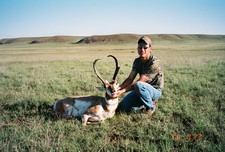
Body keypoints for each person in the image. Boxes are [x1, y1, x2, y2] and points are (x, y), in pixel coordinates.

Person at [113, 36, 164, 116]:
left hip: (155, 90)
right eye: (140, 47)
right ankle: (143, 106)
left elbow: (140, 81)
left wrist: (122, 92)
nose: (142, 50)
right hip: (141, 90)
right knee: (121, 108)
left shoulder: (155, 63)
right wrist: (119, 88)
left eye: (145, 47)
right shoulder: (137, 61)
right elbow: (130, 78)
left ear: (150, 49)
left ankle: (151, 107)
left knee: (138, 85)